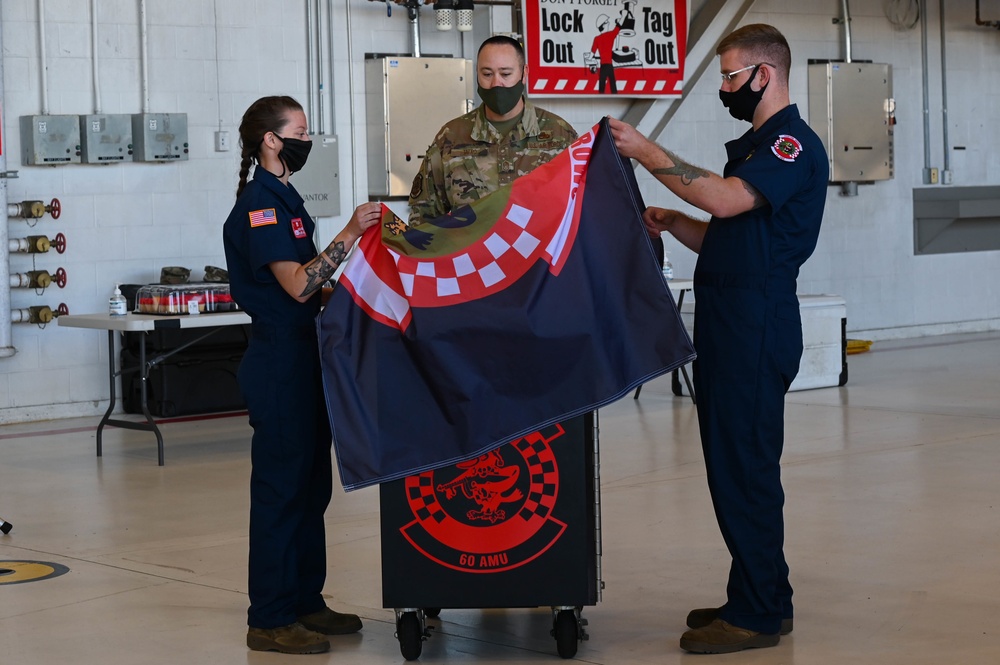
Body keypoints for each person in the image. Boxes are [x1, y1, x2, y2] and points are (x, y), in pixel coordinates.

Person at [609, 24, 829, 654]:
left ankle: (757, 614)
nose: (726, 88)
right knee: (736, 463)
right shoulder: (760, 144)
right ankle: (762, 595)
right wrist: (679, 222)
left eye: (731, 76)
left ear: (766, 74)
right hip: (735, 317)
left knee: (745, 467)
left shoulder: (789, 145)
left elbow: (729, 202)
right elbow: (730, 234)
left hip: (755, 324)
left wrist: (647, 153)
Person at [222, 96, 382, 655]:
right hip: (278, 362)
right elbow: (295, 284)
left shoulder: (286, 196)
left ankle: (305, 600)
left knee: (311, 488)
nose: (307, 140)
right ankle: (268, 617)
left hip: (305, 355)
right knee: (280, 493)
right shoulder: (260, 206)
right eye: (300, 131)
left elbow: (312, 286)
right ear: (272, 139)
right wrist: (351, 234)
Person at [408, 35, 578, 223]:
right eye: (487, 74)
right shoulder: (451, 137)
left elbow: (580, 209)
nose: (496, 83)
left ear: (524, 73)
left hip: (540, 251)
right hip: (473, 251)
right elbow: (424, 217)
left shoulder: (560, 134)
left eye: (505, 74)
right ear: (477, 74)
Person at [590, 13, 622, 94]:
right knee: (613, 86)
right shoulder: (610, 35)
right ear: (603, 25)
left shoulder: (597, 38)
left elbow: (591, 54)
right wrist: (620, 20)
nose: (609, 23)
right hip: (609, 65)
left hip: (603, 66)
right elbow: (618, 28)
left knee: (601, 87)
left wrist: (591, 61)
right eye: (607, 22)